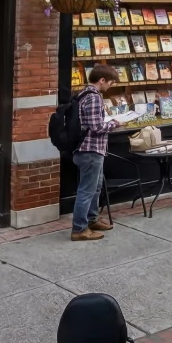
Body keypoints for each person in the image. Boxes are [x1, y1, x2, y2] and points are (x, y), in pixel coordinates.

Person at [69, 64, 120, 241]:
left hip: (92, 150)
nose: (110, 86)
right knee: (86, 191)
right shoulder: (94, 98)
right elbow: (97, 127)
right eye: (110, 83)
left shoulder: (84, 94)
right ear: (102, 80)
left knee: (95, 188)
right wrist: (116, 123)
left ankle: (92, 219)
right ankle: (79, 229)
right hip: (90, 150)